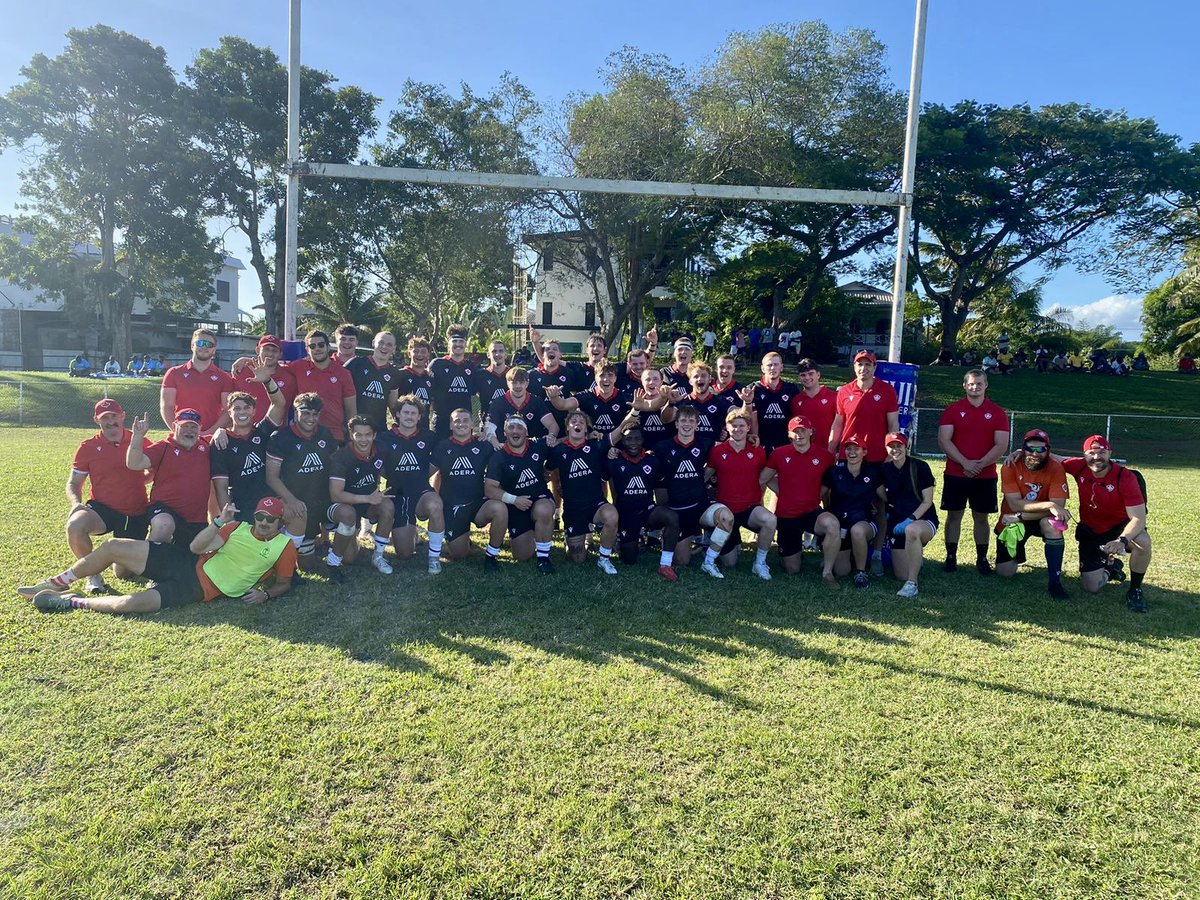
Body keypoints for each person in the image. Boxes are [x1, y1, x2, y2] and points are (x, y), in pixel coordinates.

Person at [20, 497, 297, 614]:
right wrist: (218, 522)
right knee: (114, 546)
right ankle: (56, 582)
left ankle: (70, 602)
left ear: (279, 522)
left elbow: (284, 582)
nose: (263, 522)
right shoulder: (237, 527)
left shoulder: (284, 546)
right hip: (186, 562)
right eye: (260, 516)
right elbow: (196, 548)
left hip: (195, 590)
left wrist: (266, 594)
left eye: (270, 519)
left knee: (129, 605)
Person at [65, 399, 152, 594]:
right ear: (97, 420)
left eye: (114, 415)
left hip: (134, 512)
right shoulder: (87, 447)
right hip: (102, 509)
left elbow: (157, 467)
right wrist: (76, 504)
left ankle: (126, 552)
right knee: (74, 525)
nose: (110, 421)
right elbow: (74, 483)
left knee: (123, 573)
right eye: (105, 417)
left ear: (122, 416)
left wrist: (141, 481)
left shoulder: (139, 440)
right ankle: (92, 575)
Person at [1063, 435, 1152, 612]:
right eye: (1092, 453)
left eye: (1102, 452)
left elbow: (1138, 519)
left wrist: (1122, 541)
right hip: (1091, 530)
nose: (1097, 457)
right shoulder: (1078, 466)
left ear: (1110, 453)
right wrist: (1020, 452)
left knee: (1143, 542)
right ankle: (1111, 568)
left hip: (1120, 528)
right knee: (1091, 587)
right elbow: (1052, 457)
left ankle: (1135, 589)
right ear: (1084, 455)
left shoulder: (1125, 477)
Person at [545, 408, 635, 574]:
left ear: (586, 429)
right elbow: (547, 471)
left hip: (596, 504)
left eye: (581, 422)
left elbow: (618, 431)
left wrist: (635, 410)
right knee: (577, 559)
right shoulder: (558, 450)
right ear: (568, 428)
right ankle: (571, 539)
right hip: (573, 509)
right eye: (574, 422)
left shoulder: (596, 445)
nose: (577, 424)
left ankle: (604, 559)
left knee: (612, 515)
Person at [936, 369, 1009, 574]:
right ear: (964, 385)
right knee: (953, 516)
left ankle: (982, 558)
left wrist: (979, 465)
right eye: (971, 384)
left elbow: (1001, 445)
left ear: (986, 385)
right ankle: (951, 557)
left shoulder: (997, 412)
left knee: (981, 518)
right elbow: (944, 440)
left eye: (979, 384)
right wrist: (965, 463)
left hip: (985, 476)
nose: (975, 387)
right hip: (955, 473)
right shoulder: (952, 410)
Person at [265, 392, 339, 573]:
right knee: (306, 567)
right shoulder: (280, 437)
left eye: (315, 414)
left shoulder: (325, 434)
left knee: (351, 555)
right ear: (295, 412)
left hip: (322, 502)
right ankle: (283, 538)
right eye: (305, 413)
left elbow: (336, 468)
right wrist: (291, 500)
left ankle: (325, 542)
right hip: (298, 506)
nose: (310, 418)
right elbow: (271, 477)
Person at [759, 416, 840, 582]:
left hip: (811, 512)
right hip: (787, 515)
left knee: (832, 524)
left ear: (811, 431)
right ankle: (792, 554)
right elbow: (763, 478)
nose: (800, 434)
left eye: (803, 430)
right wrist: (784, 491)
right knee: (792, 569)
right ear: (789, 434)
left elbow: (829, 481)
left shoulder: (825, 456)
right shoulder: (779, 454)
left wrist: (816, 494)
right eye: (795, 431)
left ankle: (827, 572)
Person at [652, 404, 728, 579]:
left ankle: (708, 559)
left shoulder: (706, 443)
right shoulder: (663, 447)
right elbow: (644, 460)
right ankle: (676, 538)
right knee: (682, 561)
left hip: (700, 507)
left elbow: (730, 446)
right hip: (677, 511)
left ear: (697, 424)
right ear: (676, 424)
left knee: (726, 517)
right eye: (683, 420)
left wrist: (751, 439)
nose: (687, 424)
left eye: (691, 421)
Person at [995, 429, 1070, 599]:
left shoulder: (1056, 468)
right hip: (1012, 521)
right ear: (1023, 449)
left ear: (1048, 450)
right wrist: (1049, 505)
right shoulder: (1010, 465)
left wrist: (1023, 515)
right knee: (1004, 573)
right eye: (1030, 449)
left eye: (1041, 449)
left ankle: (1055, 582)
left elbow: (1058, 510)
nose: (1035, 454)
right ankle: (1018, 553)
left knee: (1052, 525)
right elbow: (1015, 504)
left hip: (1030, 517)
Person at [704, 408, 776, 580]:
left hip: (749, 508)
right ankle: (726, 544)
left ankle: (759, 563)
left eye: (741, 426)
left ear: (748, 427)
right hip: (726, 511)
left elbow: (766, 477)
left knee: (770, 520)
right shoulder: (717, 451)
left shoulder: (758, 450)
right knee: (730, 563)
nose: (737, 429)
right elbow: (706, 475)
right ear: (727, 428)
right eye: (733, 426)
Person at [431, 408, 506, 570]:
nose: (461, 424)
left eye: (465, 420)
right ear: (451, 424)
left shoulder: (484, 446)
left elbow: (500, 468)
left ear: (472, 424)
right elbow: (430, 474)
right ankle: (458, 537)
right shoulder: (442, 447)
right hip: (453, 506)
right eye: (457, 420)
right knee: (460, 555)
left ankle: (491, 556)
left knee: (500, 508)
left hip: (478, 504)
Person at [210, 368, 288, 521]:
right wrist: (229, 520)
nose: (242, 412)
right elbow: (221, 487)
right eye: (237, 409)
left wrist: (267, 381)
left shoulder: (262, 431)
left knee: (295, 514)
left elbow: (280, 404)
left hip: (270, 501)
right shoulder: (221, 442)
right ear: (229, 412)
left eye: (246, 407)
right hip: (242, 506)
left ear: (253, 411)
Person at [127, 409, 213, 546]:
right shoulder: (164, 447)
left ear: (200, 428)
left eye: (193, 427)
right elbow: (134, 463)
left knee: (188, 563)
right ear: (174, 427)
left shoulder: (207, 446)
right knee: (164, 526)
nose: (189, 431)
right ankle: (149, 564)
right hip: (164, 510)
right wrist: (137, 436)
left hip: (195, 519)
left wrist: (221, 432)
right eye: (184, 426)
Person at [378, 395, 444, 574]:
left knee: (436, 504)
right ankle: (411, 531)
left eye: (413, 413)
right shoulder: (384, 438)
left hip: (421, 492)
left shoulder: (429, 437)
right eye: (405, 412)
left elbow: (440, 459)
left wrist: (420, 476)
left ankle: (434, 558)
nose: (409, 416)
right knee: (404, 554)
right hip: (398, 494)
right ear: (397, 414)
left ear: (419, 417)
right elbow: (377, 467)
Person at [606, 424, 681, 579]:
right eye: (628, 439)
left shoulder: (652, 460)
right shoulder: (614, 461)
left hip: (647, 510)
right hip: (625, 514)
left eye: (637, 438)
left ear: (643, 440)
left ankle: (665, 564)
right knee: (629, 560)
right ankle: (624, 541)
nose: (633, 442)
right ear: (622, 441)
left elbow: (661, 483)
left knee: (671, 516)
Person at [484, 415, 558, 573]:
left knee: (544, 510)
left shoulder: (537, 445)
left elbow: (564, 444)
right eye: (511, 427)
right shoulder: (499, 456)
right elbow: (489, 489)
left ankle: (543, 558)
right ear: (505, 432)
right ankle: (535, 531)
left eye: (519, 427)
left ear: (526, 431)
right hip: (515, 506)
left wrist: (589, 435)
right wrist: (514, 499)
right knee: (522, 555)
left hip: (540, 499)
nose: (515, 430)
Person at [327, 416, 395, 575]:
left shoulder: (381, 449)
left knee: (387, 506)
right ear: (351, 435)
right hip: (343, 505)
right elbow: (335, 495)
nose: (364, 439)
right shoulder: (341, 457)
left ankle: (378, 556)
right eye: (358, 435)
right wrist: (368, 498)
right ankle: (340, 543)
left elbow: (388, 470)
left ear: (374, 435)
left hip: (367, 502)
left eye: (368, 434)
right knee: (349, 559)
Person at [878, 432, 938, 598]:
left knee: (911, 531)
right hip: (896, 523)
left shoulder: (920, 466)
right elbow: (880, 492)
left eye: (899, 445)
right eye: (891, 446)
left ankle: (912, 584)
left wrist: (909, 520)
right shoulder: (884, 470)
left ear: (907, 447)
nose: (895, 449)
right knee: (900, 574)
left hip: (923, 519)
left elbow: (927, 501)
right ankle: (915, 558)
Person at [822, 435, 882, 588]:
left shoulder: (874, 473)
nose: (852, 452)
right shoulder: (834, 472)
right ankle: (851, 556)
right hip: (841, 525)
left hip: (864, 521)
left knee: (857, 531)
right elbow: (820, 495)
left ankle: (861, 572)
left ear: (864, 452)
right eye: (848, 448)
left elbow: (885, 497)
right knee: (841, 571)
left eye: (857, 449)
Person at [286, 329, 357, 443]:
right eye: (312, 346)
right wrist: (246, 361)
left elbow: (351, 411)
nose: (317, 349)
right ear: (307, 350)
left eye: (321, 345)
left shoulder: (343, 373)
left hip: (334, 437)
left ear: (328, 347)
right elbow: (274, 369)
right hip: (305, 436)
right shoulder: (298, 367)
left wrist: (351, 438)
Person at [829, 350, 899, 464]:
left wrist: (891, 453)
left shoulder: (887, 390)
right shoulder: (844, 391)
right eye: (860, 364)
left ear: (874, 367)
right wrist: (831, 450)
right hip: (849, 453)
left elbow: (893, 424)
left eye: (868, 364)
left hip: (877, 455)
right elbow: (838, 423)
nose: (863, 368)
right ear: (854, 367)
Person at [160, 328, 234, 433]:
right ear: (192, 346)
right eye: (200, 343)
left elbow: (227, 411)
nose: (204, 346)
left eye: (209, 344)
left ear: (214, 349)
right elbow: (167, 407)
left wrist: (209, 433)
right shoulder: (173, 373)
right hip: (181, 436)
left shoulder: (224, 377)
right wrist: (178, 431)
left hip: (211, 437)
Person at [545, 363, 632, 442]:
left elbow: (643, 405)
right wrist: (554, 397)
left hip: (616, 444)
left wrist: (639, 405)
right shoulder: (586, 396)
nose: (606, 379)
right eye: (602, 375)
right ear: (595, 377)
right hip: (590, 444)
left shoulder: (624, 396)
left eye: (610, 375)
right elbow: (563, 405)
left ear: (615, 378)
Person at [343, 330, 403, 433]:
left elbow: (393, 405)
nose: (384, 347)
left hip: (378, 430)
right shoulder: (355, 364)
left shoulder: (394, 373)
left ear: (393, 349)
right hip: (353, 429)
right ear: (373, 343)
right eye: (381, 343)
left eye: (389, 345)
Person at [430, 323, 479, 439]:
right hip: (441, 422)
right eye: (454, 341)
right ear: (448, 344)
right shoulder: (437, 364)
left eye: (461, 342)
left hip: (464, 424)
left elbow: (476, 394)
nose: (458, 345)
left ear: (465, 344)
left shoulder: (471, 368)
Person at [486, 366, 559, 442]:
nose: (518, 386)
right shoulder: (498, 403)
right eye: (514, 382)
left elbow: (552, 425)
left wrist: (551, 436)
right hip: (506, 447)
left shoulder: (536, 401)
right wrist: (496, 444)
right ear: (507, 383)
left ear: (527, 383)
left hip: (532, 448)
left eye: (521, 382)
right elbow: (489, 428)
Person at [232, 334, 298, 414]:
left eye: (274, 351)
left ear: (280, 354)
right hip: (246, 425)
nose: (270, 354)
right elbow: (229, 405)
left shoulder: (289, 378)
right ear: (257, 350)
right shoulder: (241, 371)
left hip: (275, 425)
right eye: (266, 349)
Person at [750, 352, 798, 456]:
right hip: (760, 443)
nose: (773, 368)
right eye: (769, 365)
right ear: (763, 368)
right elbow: (746, 416)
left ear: (781, 367)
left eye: (776, 365)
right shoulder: (753, 389)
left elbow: (797, 416)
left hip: (785, 442)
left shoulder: (791, 389)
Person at [791, 358, 838, 451]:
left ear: (818, 375)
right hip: (804, 452)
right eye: (803, 375)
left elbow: (840, 425)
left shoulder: (834, 397)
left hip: (827, 451)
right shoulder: (796, 401)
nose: (807, 378)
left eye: (810, 373)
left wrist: (836, 448)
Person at [397, 336, 436, 428]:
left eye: (423, 352)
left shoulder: (431, 378)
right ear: (409, 354)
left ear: (428, 355)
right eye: (416, 351)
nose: (419, 355)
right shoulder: (401, 375)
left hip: (424, 428)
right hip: (403, 428)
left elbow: (432, 405)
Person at [475, 339, 512, 419]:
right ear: (488, 354)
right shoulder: (480, 375)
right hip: (488, 421)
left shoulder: (513, 374)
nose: (497, 354)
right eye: (494, 351)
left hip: (510, 422)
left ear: (506, 354)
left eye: (501, 351)